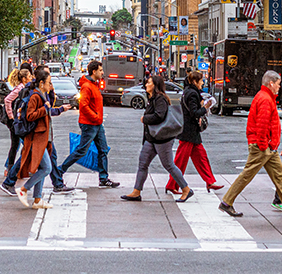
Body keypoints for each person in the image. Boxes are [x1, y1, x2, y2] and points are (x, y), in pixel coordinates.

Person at [218, 71, 282, 217]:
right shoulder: (266, 99)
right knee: (248, 174)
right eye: (278, 84)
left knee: (279, 174)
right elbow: (262, 125)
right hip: (263, 145)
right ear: (271, 83)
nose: (280, 87)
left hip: (267, 145)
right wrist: (264, 145)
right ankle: (226, 202)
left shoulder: (265, 97)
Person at [122, 74, 191, 202]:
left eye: (149, 83)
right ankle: (136, 191)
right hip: (152, 138)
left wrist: (145, 119)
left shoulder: (160, 99)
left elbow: (160, 116)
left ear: (155, 85)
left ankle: (186, 189)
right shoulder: (152, 98)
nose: (146, 85)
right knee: (143, 163)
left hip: (162, 139)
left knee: (169, 165)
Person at [59, 60, 120, 188]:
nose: (103, 73)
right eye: (101, 70)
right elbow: (83, 105)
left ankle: (103, 178)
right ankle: (60, 170)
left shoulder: (93, 85)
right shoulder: (87, 86)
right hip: (89, 124)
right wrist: (95, 117)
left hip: (96, 124)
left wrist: (97, 119)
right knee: (81, 150)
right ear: (94, 71)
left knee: (103, 150)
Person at [16, 68, 68, 209]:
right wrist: (44, 109)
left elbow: (48, 109)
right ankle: (24, 189)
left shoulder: (42, 95)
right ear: (41, 83)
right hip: (36, 138)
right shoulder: (35, 97)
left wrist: (59, 108)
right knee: (46, 168)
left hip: (42, 137)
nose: (50, 85)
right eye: (49, 83)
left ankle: (37, 200)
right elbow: (30, 116)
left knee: (43, 167)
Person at [165, 70, 221, 194]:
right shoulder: (192, 94)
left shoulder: (189, 92)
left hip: (190, 132)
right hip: (189, 132)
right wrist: (205, 108)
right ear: (195, 81)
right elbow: (194, 113)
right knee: (181, 161)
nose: (202, 83)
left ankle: (210, 182)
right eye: (201, 81)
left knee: (201, 158)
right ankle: (172, 185)